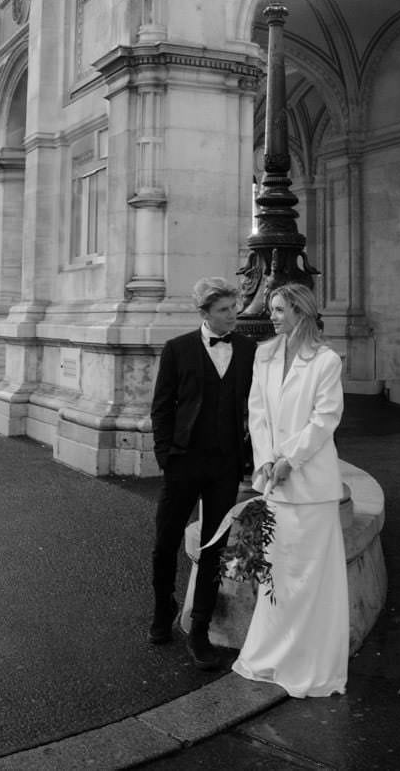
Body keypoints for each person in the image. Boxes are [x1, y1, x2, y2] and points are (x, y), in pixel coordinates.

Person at [232, 281, 349, 698]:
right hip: (274, 481)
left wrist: (288, 459)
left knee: (310, 579)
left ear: (301, 311)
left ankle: (310, 662)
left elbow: (325, 420)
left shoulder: (326, 360)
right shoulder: (263, 355)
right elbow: (256, 411)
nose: (272, 316)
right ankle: (273, 655)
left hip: (311, 485)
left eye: (280, 310)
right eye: (272, 309)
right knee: (277, 575)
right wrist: (266, 459)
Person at [149, 277, 256, 669]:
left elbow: (258, 406)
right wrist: (166, 457)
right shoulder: (177, 349)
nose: (234, 315)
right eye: (225, 310)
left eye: (234, 307)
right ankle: (163, 610)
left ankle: (199, 629)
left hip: (225, 464)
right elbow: (162, 407)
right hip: (183, 461)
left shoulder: (247, 349)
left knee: (214, 546)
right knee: (165, 542)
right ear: (205, 313)